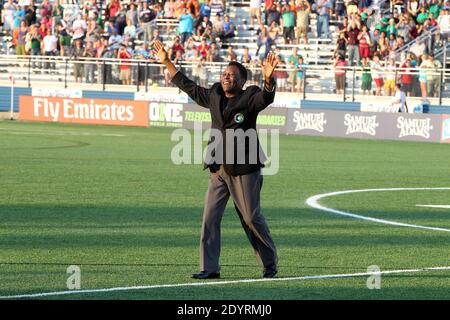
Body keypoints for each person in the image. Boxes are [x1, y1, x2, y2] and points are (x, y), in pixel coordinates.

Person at [153, 39, 279, 279]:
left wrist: (269, 80)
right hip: (218, 167)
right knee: (210, 218)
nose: (226, 77)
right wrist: (167, 62)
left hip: (244, 168)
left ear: (242, 81)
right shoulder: (214, 94)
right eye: (224, 73)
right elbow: (189, 87)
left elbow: (266, 99)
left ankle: (269, 263)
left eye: (232, 75)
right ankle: (209, 268)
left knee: (250, 217)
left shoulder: (250, 96)